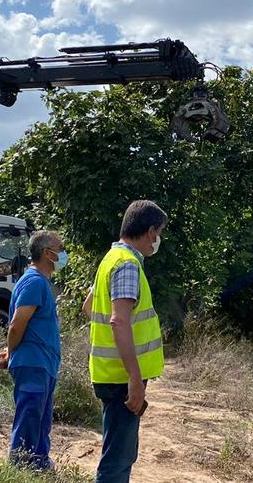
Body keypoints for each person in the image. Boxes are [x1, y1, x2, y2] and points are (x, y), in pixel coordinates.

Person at [83, 200, 167, 483]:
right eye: (160, 233)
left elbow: (89, 307)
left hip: (110, 373)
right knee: (118, 459)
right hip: (122, 378)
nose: (159, 240)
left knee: (120, 452)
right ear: (151, 231)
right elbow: (118, 320)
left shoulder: (111, 259)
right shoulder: (128, 265)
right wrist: (134, 376)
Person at [0, 230, 66, 471]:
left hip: (42, 365)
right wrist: (12, 354)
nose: (64, 254)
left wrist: (10, 352)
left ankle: (39, 467)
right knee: (29, 420)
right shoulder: (34, 282)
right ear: (48, 253)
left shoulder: (39, 282)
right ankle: (20, 469)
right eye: (61, 249)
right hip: (33, 365)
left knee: (40, 422)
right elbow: (17, 324)